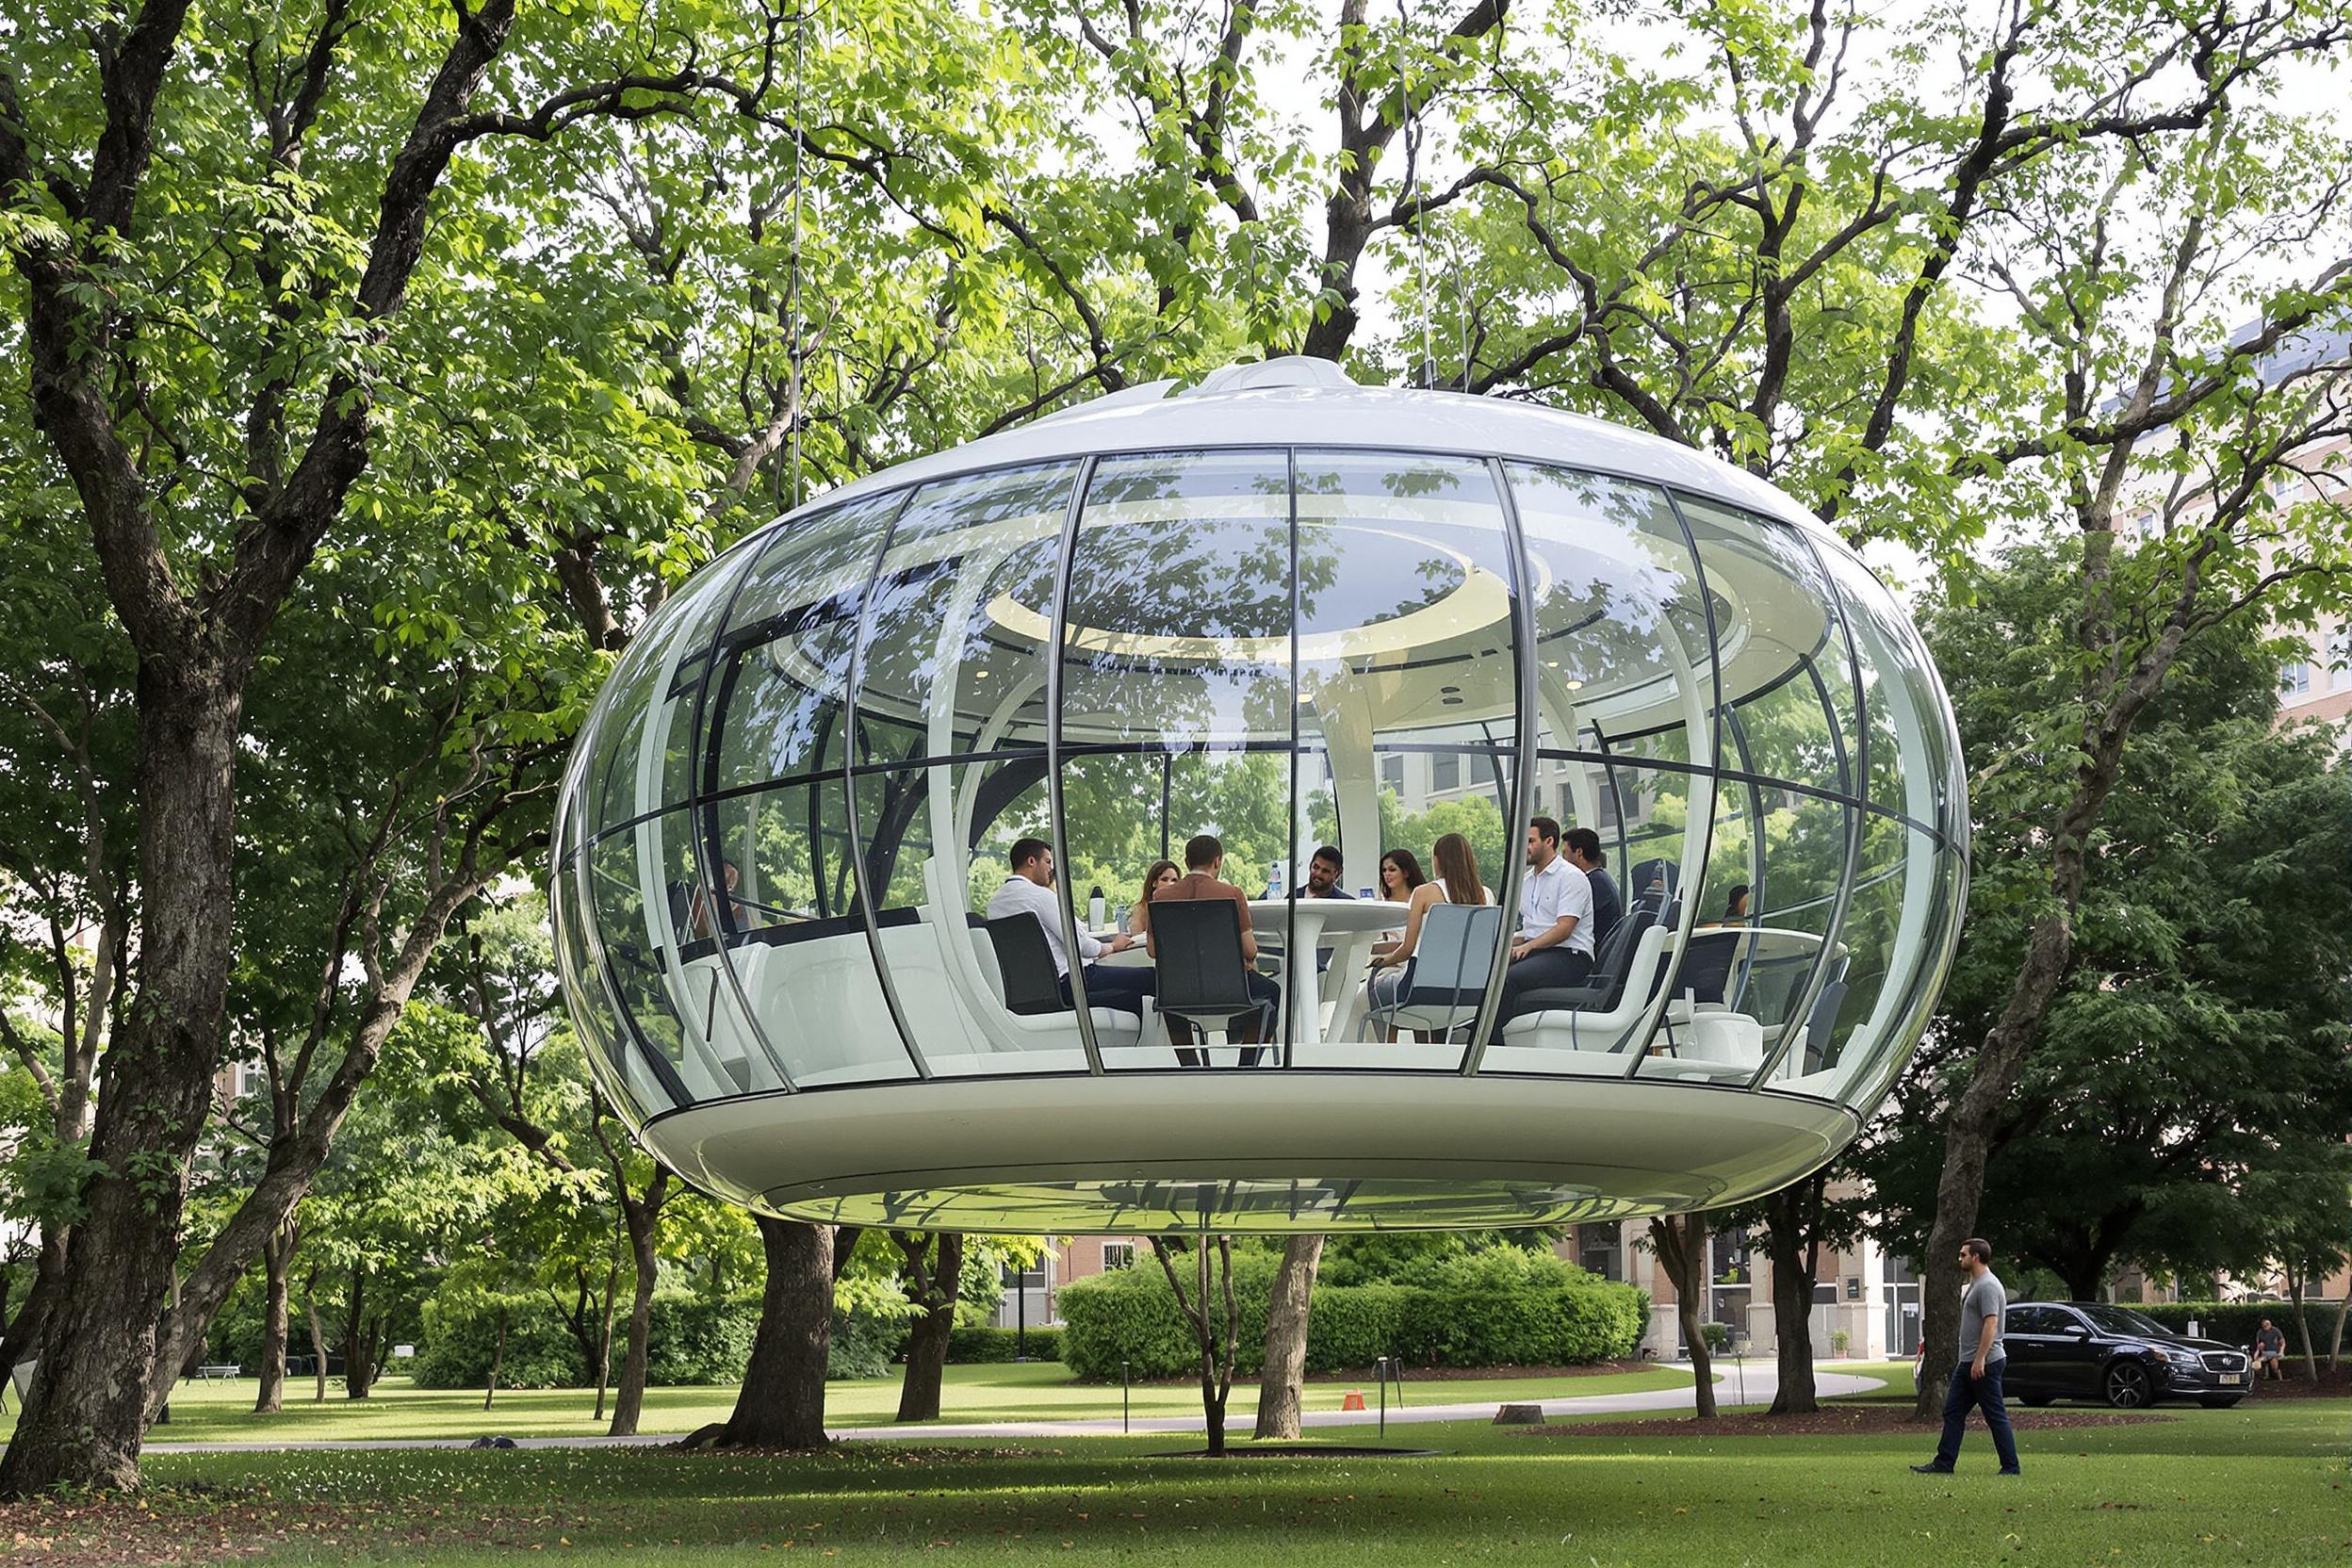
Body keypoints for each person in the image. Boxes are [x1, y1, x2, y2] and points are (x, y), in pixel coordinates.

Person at [1142, 833, 1280, 1065]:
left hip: (1180, 990)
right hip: (1229, 988)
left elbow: (1153, 951)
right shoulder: (1232, 894)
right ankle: (1246, 1066)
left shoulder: (1160, 897)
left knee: (1169, 1000)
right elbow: (1250, 950)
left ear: (1186, 862)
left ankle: (1190, 1066)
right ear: (1218, 861)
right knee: (1271, 991)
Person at [986, 838, 1155, 1020]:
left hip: (1034, 992)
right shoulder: (1041, 896)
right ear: (1031, 861)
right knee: (1152, 978)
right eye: (1048, 861)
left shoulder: (994, 905)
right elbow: (1079, 945)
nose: (1051, 869)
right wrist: (1113, 946)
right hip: (1072, 982)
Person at [1911, 1237, 2021, 1477]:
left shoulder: (1988, 1286)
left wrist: (1980, 1359)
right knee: (1953, 1411)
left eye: (1963, 1255)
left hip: (1984, 1362)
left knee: (1994, 1415)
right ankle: (1944, 1463)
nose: (1960, 1259)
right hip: (1968, 1362)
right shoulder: (1976, 1283)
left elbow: (1991, 1324)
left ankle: (2011, 1467)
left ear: (1976, 1257)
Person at [1367, 833, 1489, 1039]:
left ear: (1438, 860)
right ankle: (1427, 1056)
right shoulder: (1486, 895)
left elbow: (1407, 949)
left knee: (1373, 990)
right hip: (1471, 993)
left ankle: (1386, 1056)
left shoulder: (1424, 893)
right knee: (1415, 1006)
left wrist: (1382, 962)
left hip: (1422, 990)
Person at [1496, 816, 1596, 1024]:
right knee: (1485, 973)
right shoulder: (1526, 881)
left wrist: (1528, 946)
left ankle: (1494, 1043)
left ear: (1549, 841)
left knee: (1506, 979)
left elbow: (1564, 929)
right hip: (1539, 952)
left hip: (1570, 955)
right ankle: (1472, 1032)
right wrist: (1507, 944)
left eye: (1530, 841)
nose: (1525, 847)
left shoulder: (1571, 877)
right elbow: (1532, 929)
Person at [1561, 827, 1621, 950]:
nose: (1562, 860)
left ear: (1579, 853)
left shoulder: (1592, 883)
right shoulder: (1600, 879)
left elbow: (1569, 924)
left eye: (1565, 853)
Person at [686, 859, 748, 940]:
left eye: (732, 883)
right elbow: (701, 935)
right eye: (726, 878)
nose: (729, 884)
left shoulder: (740, 911)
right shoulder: (687, 897)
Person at [1128, 858, 1181, 936]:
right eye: (1164, 879)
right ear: (1154, 883)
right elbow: (1136, 937)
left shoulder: (1181, 908)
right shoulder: (1141, 909)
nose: (1170, 884)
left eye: (1174, 880)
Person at [2253, 1318, 2287, 1382]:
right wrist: (2256, 1354)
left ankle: (2279, 1377)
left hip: (2275, 1352)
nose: (2265, 1327)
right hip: (2265, 1353)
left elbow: (2283, 1343)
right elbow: (2258, 1346)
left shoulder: (2276, 1331)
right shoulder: (2260, 1332)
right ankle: (2265, 1376)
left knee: (2274, 1363)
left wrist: (2281, 1351)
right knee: (2256, 1364)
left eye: (2267, 1325)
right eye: (2264, 1325)